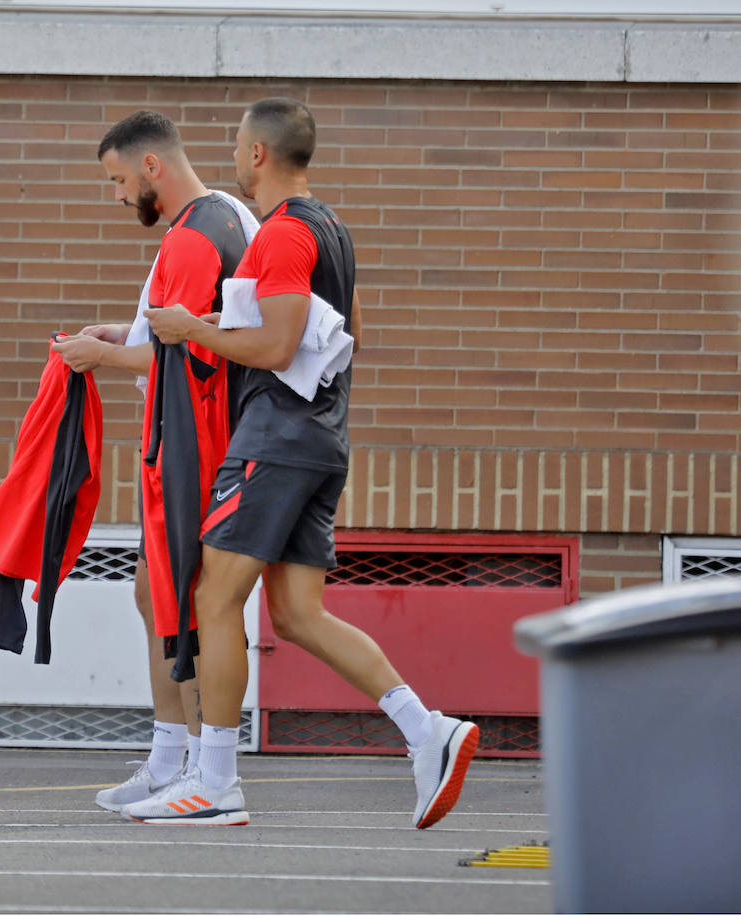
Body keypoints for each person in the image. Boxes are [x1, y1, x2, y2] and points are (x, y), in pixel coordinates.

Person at [131, 97, 479, 828]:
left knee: (212, 599)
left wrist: (192, 329)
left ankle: (215, 781)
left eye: (237, 145)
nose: (232, 156)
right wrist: (221, 325)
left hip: (277, 441)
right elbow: (341, 333)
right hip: (320, 440)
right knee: (294, 613)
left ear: (257, 153)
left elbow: (278, 346)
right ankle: (428, 731)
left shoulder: (284, 232)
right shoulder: (330, 228)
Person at [50, 110, 251, 814]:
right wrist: (122, 333)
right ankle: (175, 757)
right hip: (197, 438)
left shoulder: (193, 237)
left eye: (118, 180)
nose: (117, 195)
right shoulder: (219, 216)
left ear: (151, 167)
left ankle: (201, 766)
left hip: (196, 445)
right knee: (158, 595)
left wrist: (101, 356)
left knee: (187, 602)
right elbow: (175, 335)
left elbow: (186, 356)